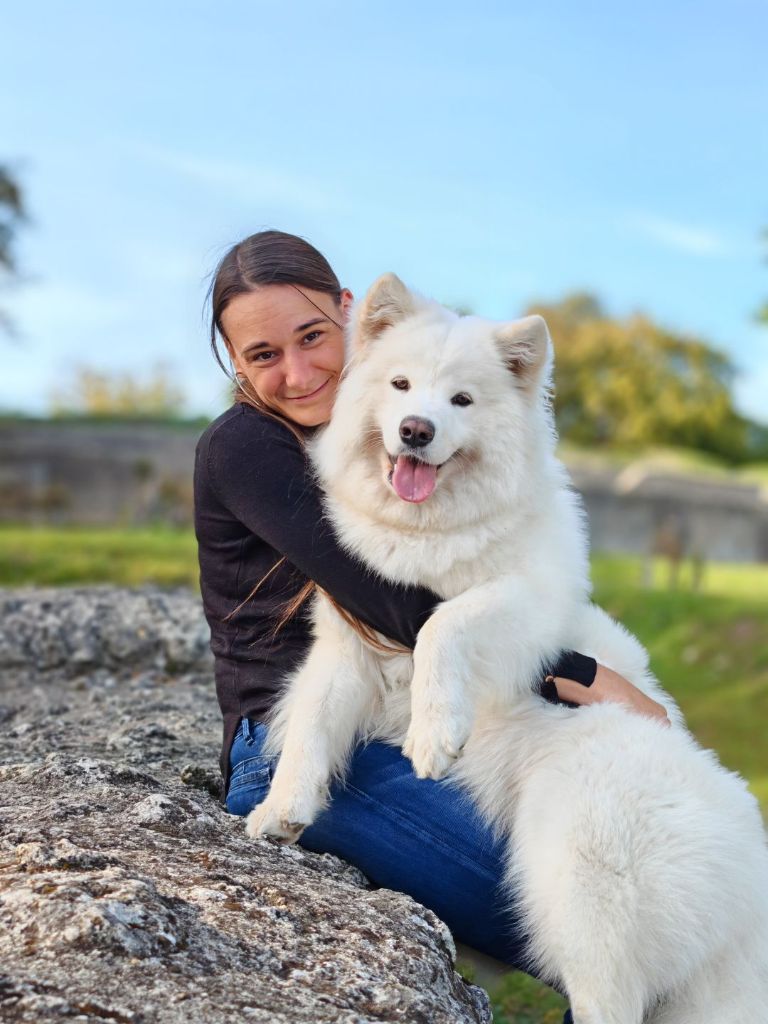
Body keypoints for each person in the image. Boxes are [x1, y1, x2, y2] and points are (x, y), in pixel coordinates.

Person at [194, 229, 669, 1019]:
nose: (300, 371)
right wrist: (586, 677)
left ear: (353, 317)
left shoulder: (402, 403)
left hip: (412, 719)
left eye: (313, 336)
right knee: (602, 915)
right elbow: (393, 606)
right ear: (235, 364)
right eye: (263, 354)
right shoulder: (249, 446)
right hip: (309, 751)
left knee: (638, 881)